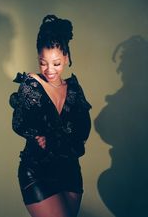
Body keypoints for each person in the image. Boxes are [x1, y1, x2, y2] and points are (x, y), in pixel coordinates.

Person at [9, 15, 92, 217]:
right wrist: (37, 135)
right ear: (38, 58)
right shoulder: (32, 85)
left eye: (56, 63)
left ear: (66, 57)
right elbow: (19, 123)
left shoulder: (74, 89)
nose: (49, 70)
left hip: (69, 169)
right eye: (43, 63)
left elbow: (82, 130)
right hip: (38, 170)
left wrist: (59, 138)